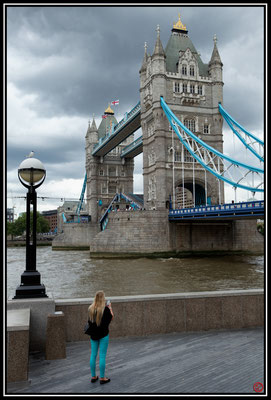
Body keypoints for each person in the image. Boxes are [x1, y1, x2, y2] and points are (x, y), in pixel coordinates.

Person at [88, 290, 114, 384]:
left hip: (93, 335)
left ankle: (93, 376)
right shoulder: (105, 309)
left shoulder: (90, 308)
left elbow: (90, 322)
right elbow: (111, 318)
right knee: (102, 356)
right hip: (103, 335)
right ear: (103, 299)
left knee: (93, 355)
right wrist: (110, 308)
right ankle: (102, 378)